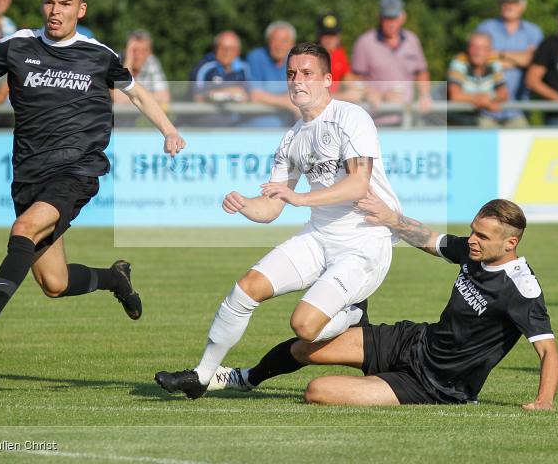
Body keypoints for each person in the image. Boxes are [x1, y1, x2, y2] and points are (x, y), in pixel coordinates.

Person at [0, 0, 186, 351]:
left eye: (65, 4)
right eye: (49, 2)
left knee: (23, 228)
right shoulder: (17, 45)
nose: (55, 10)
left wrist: (168, 130)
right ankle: (115, 279)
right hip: (28, 174)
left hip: (76, 169)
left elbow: (137, 94)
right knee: (54, 284)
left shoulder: (98, 55)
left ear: (80, 10)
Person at [155, 42, 402, 399]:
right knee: (246, 287)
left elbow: (357, 183)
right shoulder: (292, 139)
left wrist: (300, 198)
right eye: (291, 74)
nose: (297, 81)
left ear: (328, 79)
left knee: (303, 326)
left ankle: (351, 314)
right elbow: (271, 209)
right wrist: (245, 204)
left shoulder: (351, 117)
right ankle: (202, 376)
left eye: (307, 73)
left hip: (364, 244)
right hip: (319, 237)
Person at [209, 197, 558, 410]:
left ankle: (365, 340)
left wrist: (543, 401)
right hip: (416, 341)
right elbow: (430, 240)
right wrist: (390, 218)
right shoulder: (473, 252)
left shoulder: (522, 289)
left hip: (435, 385)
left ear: (510, 242)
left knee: (317, 391)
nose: (472, 240)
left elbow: (548, 352)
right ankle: (245, 378)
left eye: (482, 236)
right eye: (472, 230)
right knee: (307, 347)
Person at [351, 0, 432, 125]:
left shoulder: (412, 40)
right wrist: (374, 93)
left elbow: (421, 72)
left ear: (402, 17)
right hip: (375, 120)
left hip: (408, 120)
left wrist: (425, 95)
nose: (390, 23)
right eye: (386, 18)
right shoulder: (364, 42)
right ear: (379, 17)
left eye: (394, 18)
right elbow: (354, 79)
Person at [475, 0, 543, 124]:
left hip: (519, 110)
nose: (509, 5)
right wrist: (520, 59)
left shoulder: (534, 32)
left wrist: (498, 55)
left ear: (523, 5)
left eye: (514, 2)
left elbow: (533, 61)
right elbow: (479, 60)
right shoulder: (485, 28)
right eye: (505, 1)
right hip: (487, 108)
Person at [446, 32, 511, 127]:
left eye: (483, 48)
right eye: (474, 47)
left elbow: (504, 94)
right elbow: (455, 96)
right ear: (468, 48)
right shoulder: (459, 62)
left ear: (490, 51)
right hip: (454, 120)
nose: (478, 52)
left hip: (479, 118)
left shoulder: (494, 64)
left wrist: (486, 98)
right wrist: (485, 101)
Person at [245, 20, 300, 126]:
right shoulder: (256, 57)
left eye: (284, 41)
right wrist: (286, 102)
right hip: (257, 128)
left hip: (288, 129)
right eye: (275, 40)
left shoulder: (297, 60)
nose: (279, 45)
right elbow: (255, 95)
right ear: (268, 41)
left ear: (292, 44)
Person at [191, 30, 251, 126]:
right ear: (215, 49)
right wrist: (230, 91)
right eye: (223, 47)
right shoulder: (204, 68)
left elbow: (249, 96)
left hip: (235, 125)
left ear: (238, 52)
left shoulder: (243, 69)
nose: (226, 52)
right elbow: (197, 97)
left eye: (231, 48)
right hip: (205, 125)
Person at [115, 29, 170, 107]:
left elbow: (164, 98)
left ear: (149, 52)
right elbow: (119, 99)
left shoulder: (151, 62)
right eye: (134, 51)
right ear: (126, 50)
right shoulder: (116, 61)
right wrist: (128, 62)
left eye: (143, 51)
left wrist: (134, 98)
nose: (138, 56)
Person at [316, 12, 363, 102]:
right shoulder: (311, 56)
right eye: (325, 34)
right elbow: (314, 94)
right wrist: (345, 96)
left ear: (338, 36)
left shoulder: (339, 52)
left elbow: (347, 77)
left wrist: (364, 86)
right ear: (319, 35)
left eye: (333, 35)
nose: (329, 39)